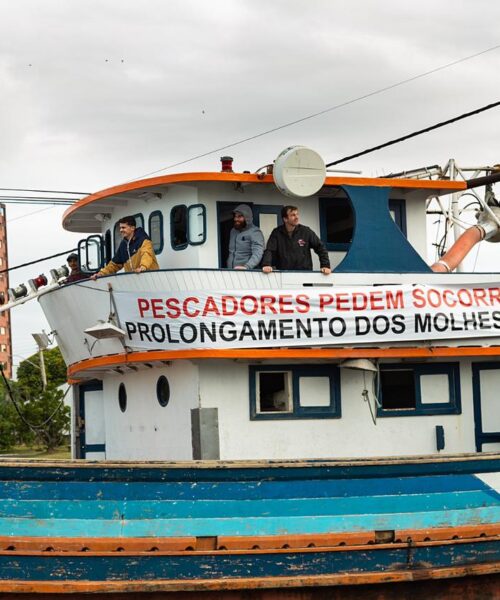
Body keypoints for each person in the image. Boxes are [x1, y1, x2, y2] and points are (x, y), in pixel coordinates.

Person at [262, 205, 331, 275]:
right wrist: (266, 264)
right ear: (285, 219)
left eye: (297, 214)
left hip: (305, 274)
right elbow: (270, 250)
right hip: (284, 274)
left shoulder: (306, 231)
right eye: (293, 215)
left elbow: (320, 247)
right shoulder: (277, 232)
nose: (297, 217)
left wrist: (325, 265)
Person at [91, 216, 159, 279]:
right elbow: (114, 264)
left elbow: (147, 254)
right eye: (120, 228)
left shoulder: (144, 240)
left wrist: (143, 267)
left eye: (123, 227)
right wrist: (101, 274)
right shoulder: (123, 245)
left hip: (150, 278)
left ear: (132, 228)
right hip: (135, 281)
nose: (120, 230)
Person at [227, 204, 265, 270]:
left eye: (239, 216)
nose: (236, 219)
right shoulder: (233, 231)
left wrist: (247, 267)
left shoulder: (255, 232)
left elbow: (258, 253)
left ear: (247, 217)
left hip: (247, 273)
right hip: (230, 272)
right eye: (235, 216)